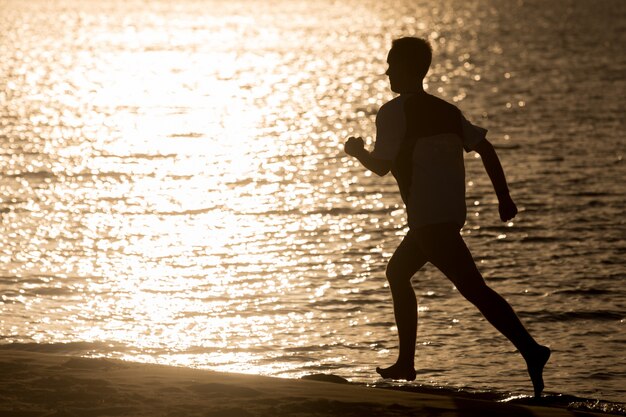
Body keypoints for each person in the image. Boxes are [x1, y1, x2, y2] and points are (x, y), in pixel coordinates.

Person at [344, 37, 550, 397]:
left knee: (474, 289)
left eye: (392, 64)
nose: (387, 70)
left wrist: (356, 150)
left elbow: (380, 167)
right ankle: (406, 362)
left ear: (408, 68)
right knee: (398, 273)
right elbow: (485, 148)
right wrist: (504, 198)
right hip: (448, 215)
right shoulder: (448, 111)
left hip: (428, 217)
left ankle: (531, 350)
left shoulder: (394, 112)